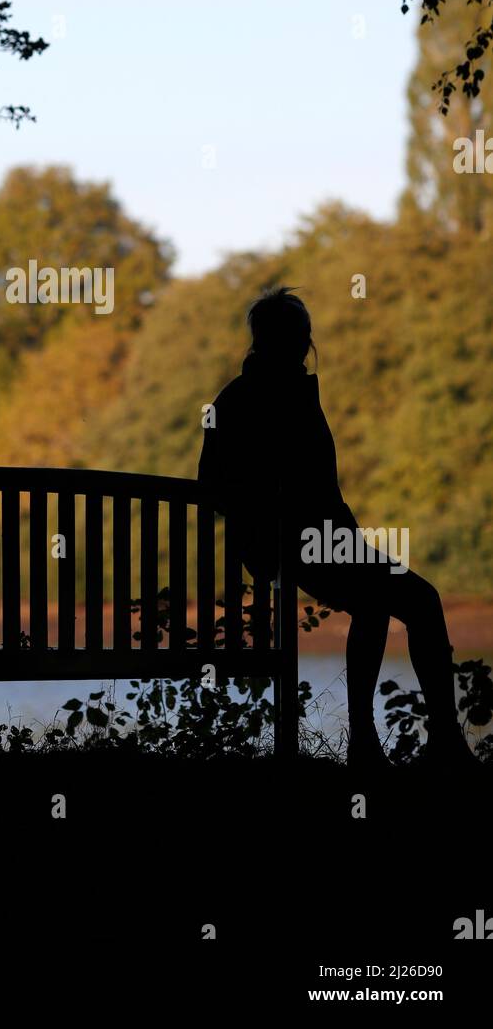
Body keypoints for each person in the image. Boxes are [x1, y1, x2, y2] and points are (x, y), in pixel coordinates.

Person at [197, 286, 475, 771]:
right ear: (300, 341)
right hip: (303, 542)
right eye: (302, 337)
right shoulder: (288, 396)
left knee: (378, 604)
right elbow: (312, 492)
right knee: (421, 602)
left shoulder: (233, 398)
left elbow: (211, 487)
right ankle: (426, 742)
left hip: (286, 542)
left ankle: (372, 743)